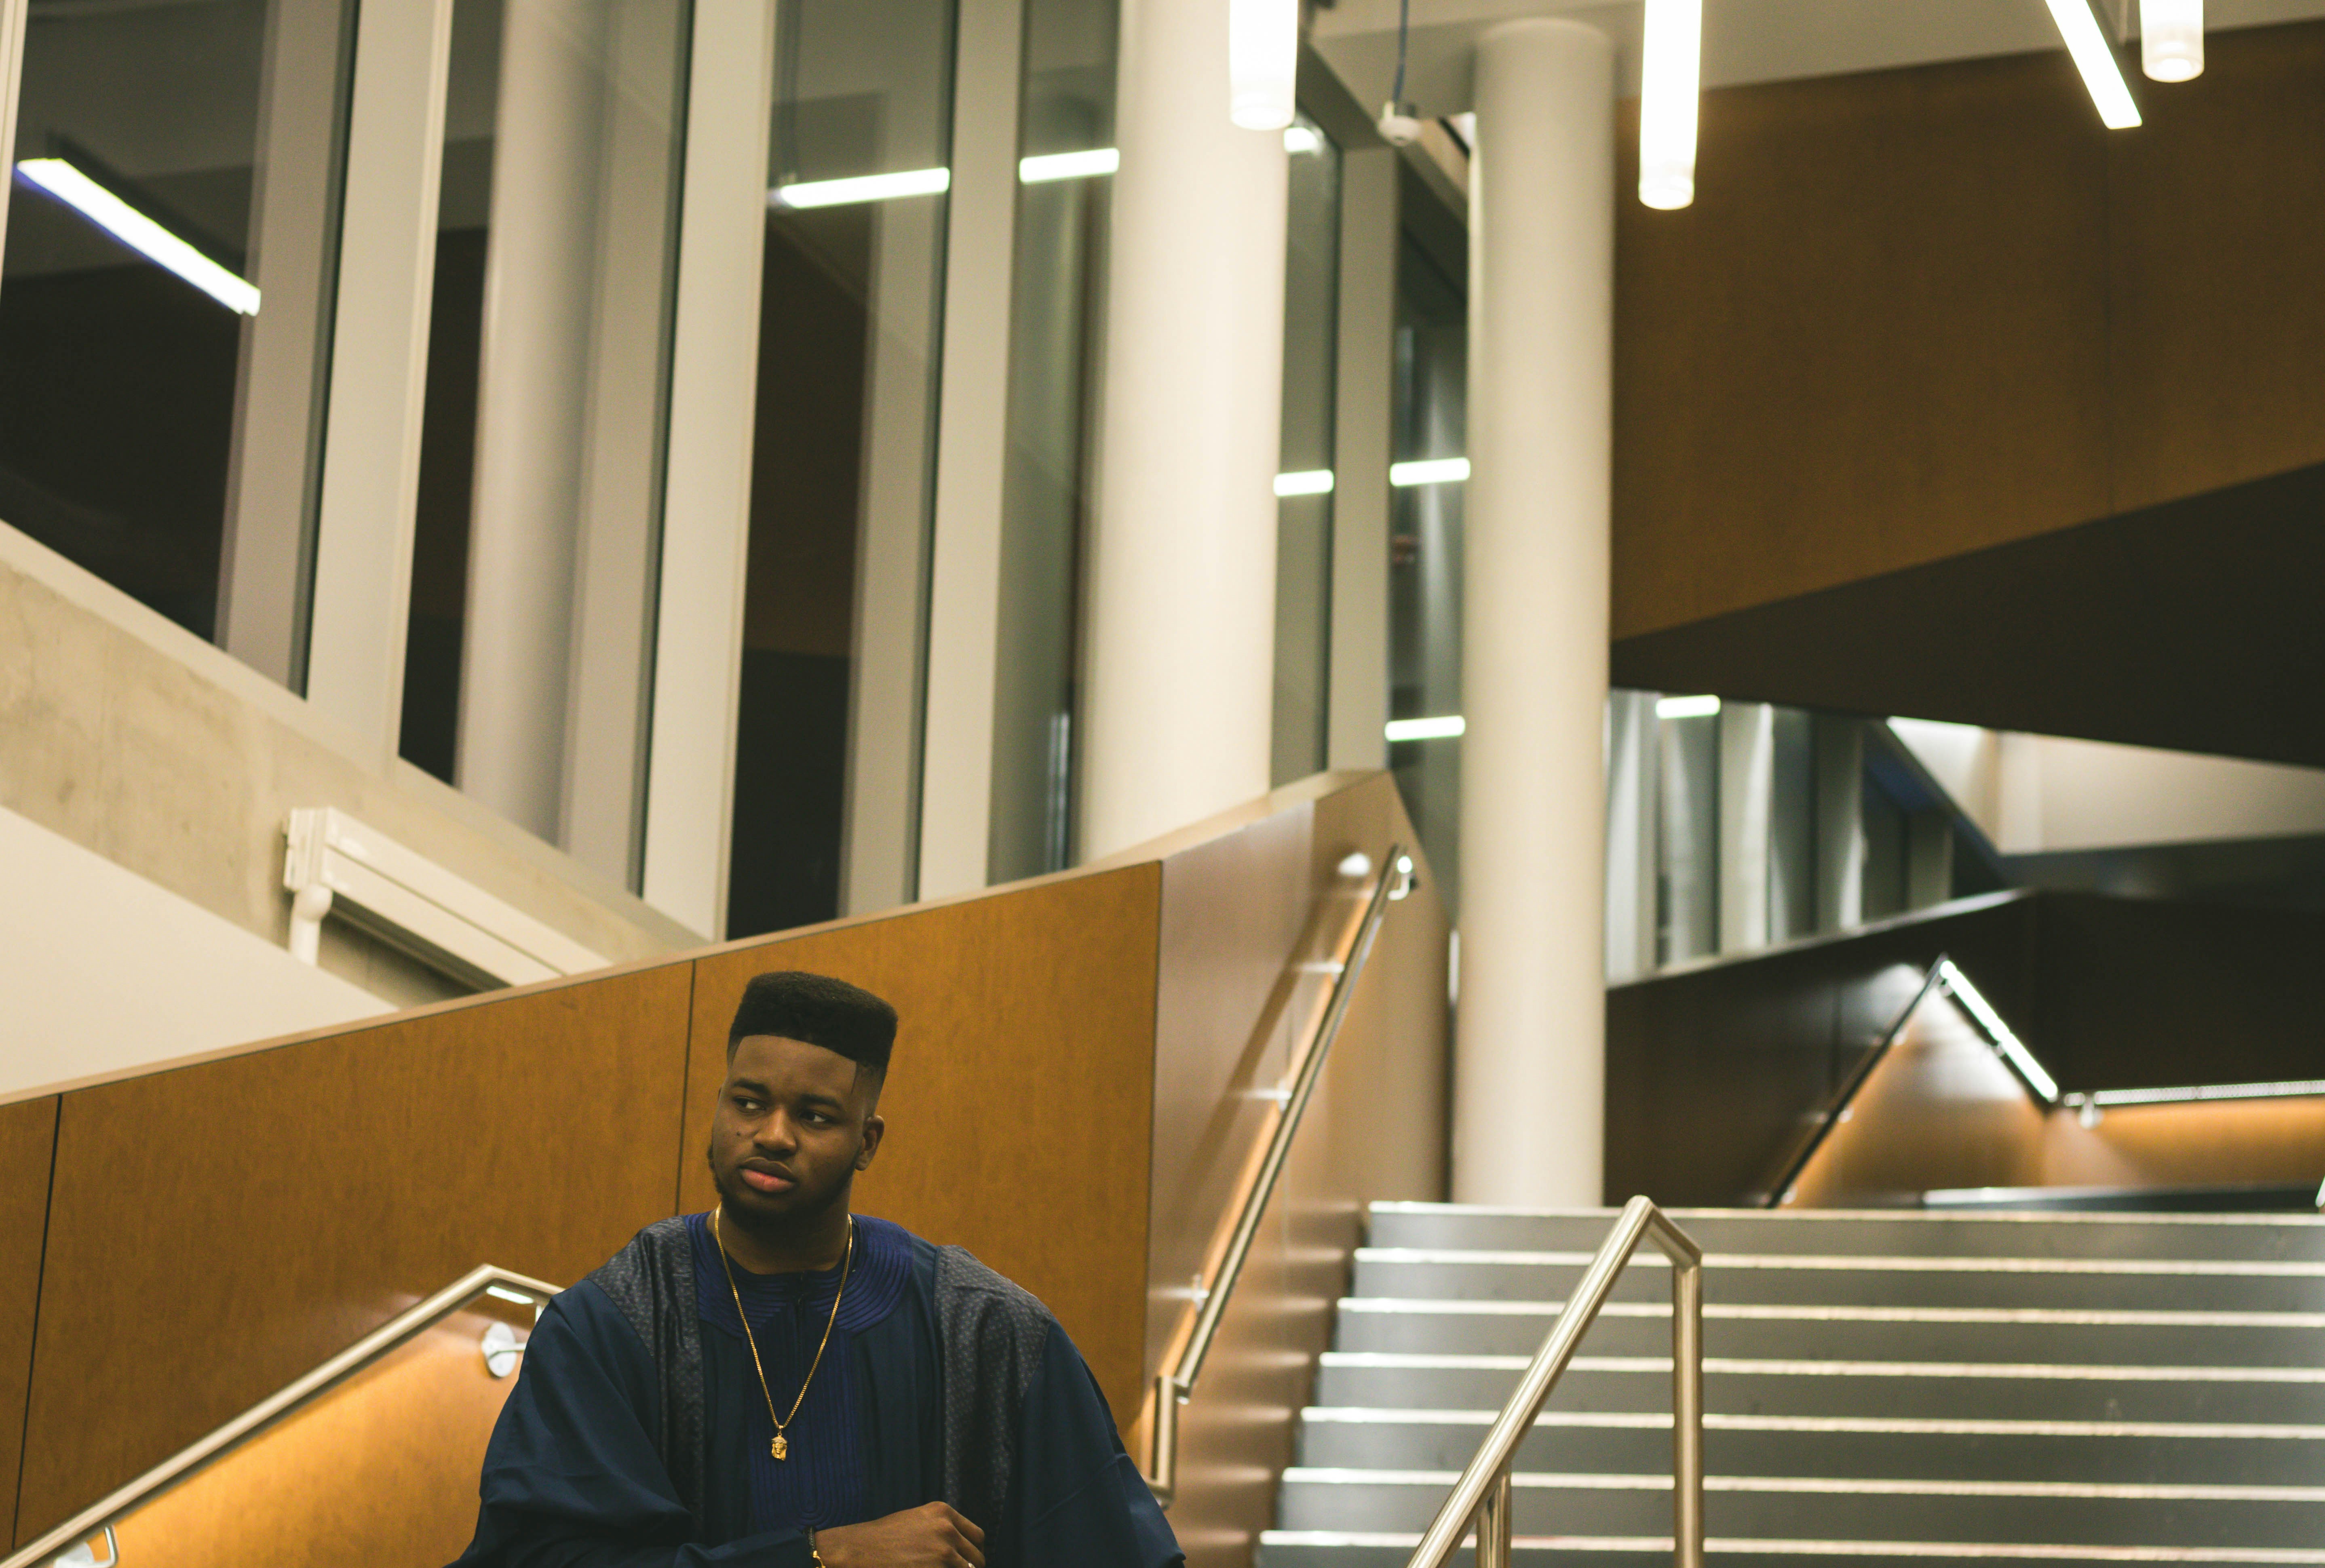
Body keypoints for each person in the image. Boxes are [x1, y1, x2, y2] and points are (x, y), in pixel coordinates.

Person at [450, 970, 1183, 1568]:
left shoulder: (984, 1331)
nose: (772, 1135)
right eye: (749, 1102)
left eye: (815, 1116)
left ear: (868, 1141)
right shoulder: (615, 1320)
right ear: (718, 1108)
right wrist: (825, 1558)